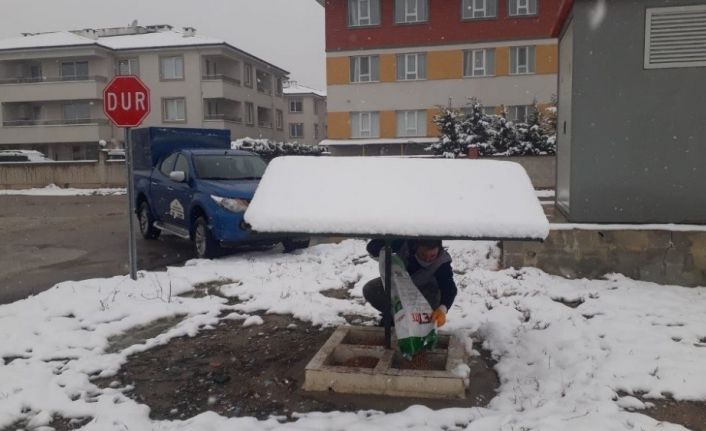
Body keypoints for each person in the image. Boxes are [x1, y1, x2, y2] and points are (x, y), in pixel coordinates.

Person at [362, 239, 457, 328]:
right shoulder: (404, 244)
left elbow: (449, 288)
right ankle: (394, 316)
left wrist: (442, 309)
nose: (428, 259)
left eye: (432, 256)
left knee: (427, 311)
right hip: (400, 286)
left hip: (426, 293)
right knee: (371, 289)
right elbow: (372, 247)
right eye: (423, 255)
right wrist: (386, 240)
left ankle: (420, 321)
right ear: (416, 247)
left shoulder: (442, 262)